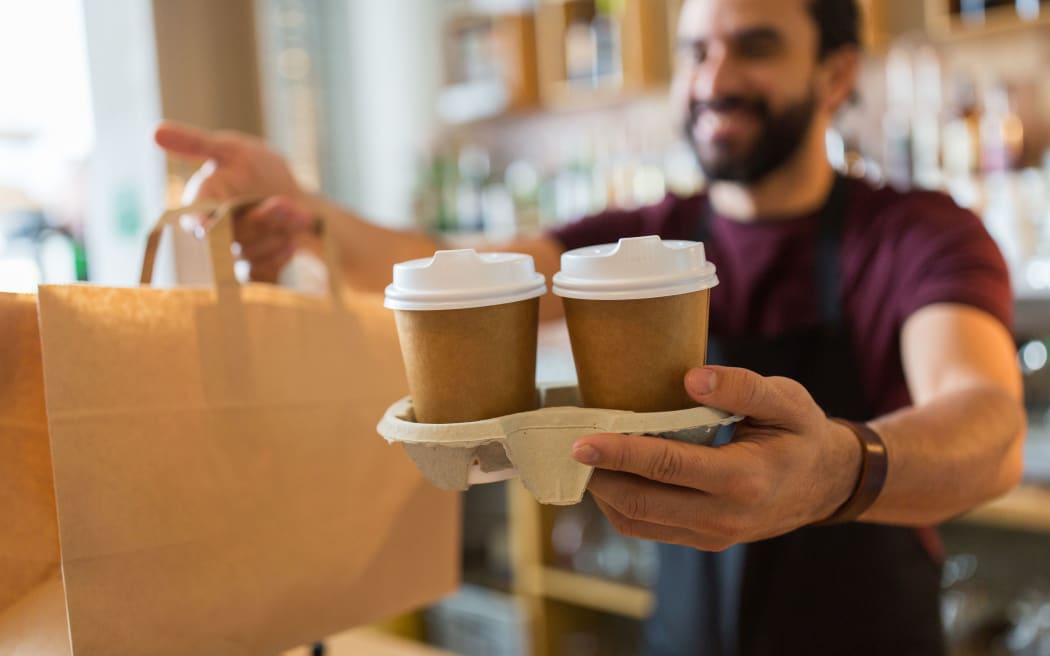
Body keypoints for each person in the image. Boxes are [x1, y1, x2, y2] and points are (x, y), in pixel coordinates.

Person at [155, 0, 1025, 653]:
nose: (714, 79)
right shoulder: (635, 247)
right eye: (696, 51)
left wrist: (836, 470)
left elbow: (986, 423)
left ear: (836, 74)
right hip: (687, 629)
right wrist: (303, 210)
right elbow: (453, 271)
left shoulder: (919, 232)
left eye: (754, 47)